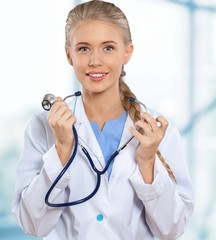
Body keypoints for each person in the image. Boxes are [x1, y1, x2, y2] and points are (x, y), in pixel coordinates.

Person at [11, 0, 194, 239]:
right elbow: (33, 224)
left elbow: (172, 229)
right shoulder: (43, 127)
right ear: (69, 55)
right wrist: (62, 151)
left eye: (108, 48)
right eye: (84, 48)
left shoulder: (158, 132)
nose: (95, 61)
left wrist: (148, 162)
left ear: (126, 53)